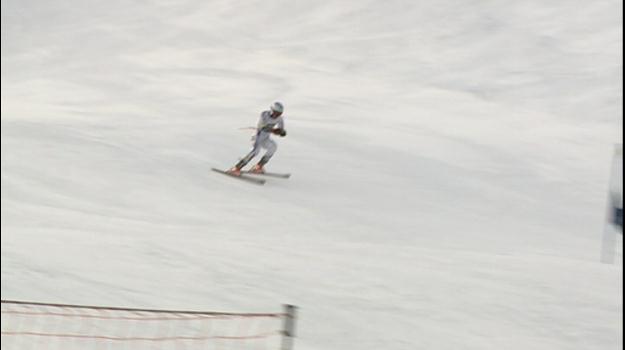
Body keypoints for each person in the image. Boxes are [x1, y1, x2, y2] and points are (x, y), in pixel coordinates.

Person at [228, 102, 287, 175]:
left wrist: (282, 132)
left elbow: (281, 128)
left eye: (279, 114)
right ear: (272, 110)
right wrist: (273, 130)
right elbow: (262, 126)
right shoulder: (264, 114)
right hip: (257, 136)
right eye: (276, 113)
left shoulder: (279, 118)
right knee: (255, 151)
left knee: (273, 147)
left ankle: (258, 166)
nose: (277, 115)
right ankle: (236, 168)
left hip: (265, 138)